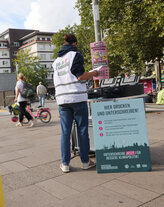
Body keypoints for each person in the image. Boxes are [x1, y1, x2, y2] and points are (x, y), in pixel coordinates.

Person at [52, 34, 100, 173]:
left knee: (65, 133)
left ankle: (65, 164)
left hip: (62, 100)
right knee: (82, 130)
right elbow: (80, 76)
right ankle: (85, 161)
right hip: (77, 98)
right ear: (74, 43)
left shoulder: (56, 62)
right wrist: (94, 73)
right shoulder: (75, 55)